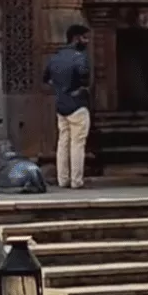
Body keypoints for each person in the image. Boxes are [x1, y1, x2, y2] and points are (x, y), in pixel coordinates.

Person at [43, 24, 91, 189]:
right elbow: (85, 78)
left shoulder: (55, 57)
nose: (87, 41)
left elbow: (46, 79)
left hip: (61, 104)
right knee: (77, 143)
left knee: (63, 142)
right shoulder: (79, 57)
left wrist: (59, 88)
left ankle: (63, 179)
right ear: (76, 38)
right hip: (77, 104)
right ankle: (76, 180)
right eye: (85, 37)